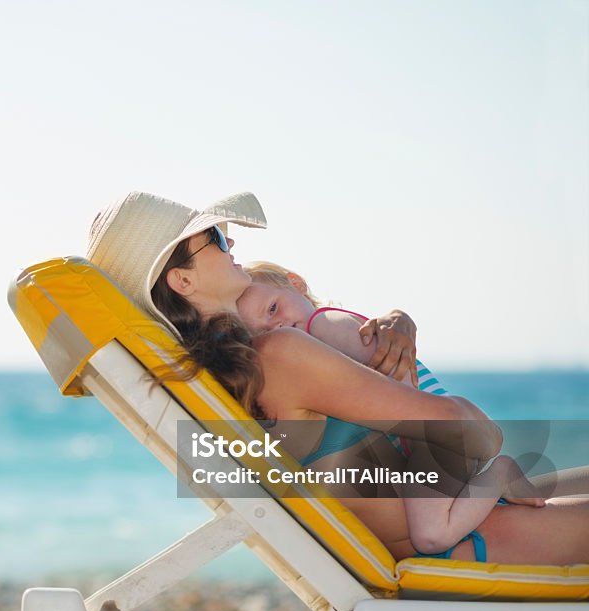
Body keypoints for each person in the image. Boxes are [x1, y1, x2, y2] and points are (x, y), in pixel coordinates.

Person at [86, 190, 589, 565]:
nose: (231, 240)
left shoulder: (233, 374)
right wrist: (407, 366)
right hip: (465, 542)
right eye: (215, 238)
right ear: (183, 280)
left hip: (458, 516)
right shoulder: (279, 352)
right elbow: (467, 429)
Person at [235, 260, 549, 558]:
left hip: (437, 440)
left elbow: (386, 367)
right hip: (431, 441)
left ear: (296, 284)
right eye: (263, 330)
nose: (276, 326)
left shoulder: (323, 324)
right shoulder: (316, 339)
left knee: (431, 536)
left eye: (273, 308)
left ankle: (500, 474)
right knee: (435, 524)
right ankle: (494, 486)